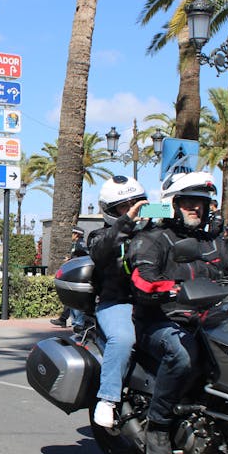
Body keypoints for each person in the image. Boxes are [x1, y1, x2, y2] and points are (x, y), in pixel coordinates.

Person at [126, 171, 228, 454]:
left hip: (210, 318)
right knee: (183, 355)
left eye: (202, 203)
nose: (196, 208)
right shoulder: (153, 239)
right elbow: (142, 280)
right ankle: (159, 424)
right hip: (163, 319)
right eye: (189, 202)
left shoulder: (213, 243)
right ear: (173, 204)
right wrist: (175, 290)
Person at [87, 176, 149, 429]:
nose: (133, 210)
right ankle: (108, 399)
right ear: (112, 211)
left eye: (137, 204)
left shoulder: (154, 233)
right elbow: (102, 250)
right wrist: (127, 222)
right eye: (125, 206)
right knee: (123, 338)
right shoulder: (100, 236)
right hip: (117, 303)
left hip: (154, 302)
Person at [50, 226, 89, 327]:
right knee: (70, 299)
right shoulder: (76, 244)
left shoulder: (81, 244)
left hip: (79, 276)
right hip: (75, 275)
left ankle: (77, 323)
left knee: (75, 300)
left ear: (76, 234)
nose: (71, 236)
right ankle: (67, 320)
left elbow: (86, 257)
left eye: (72, 234)